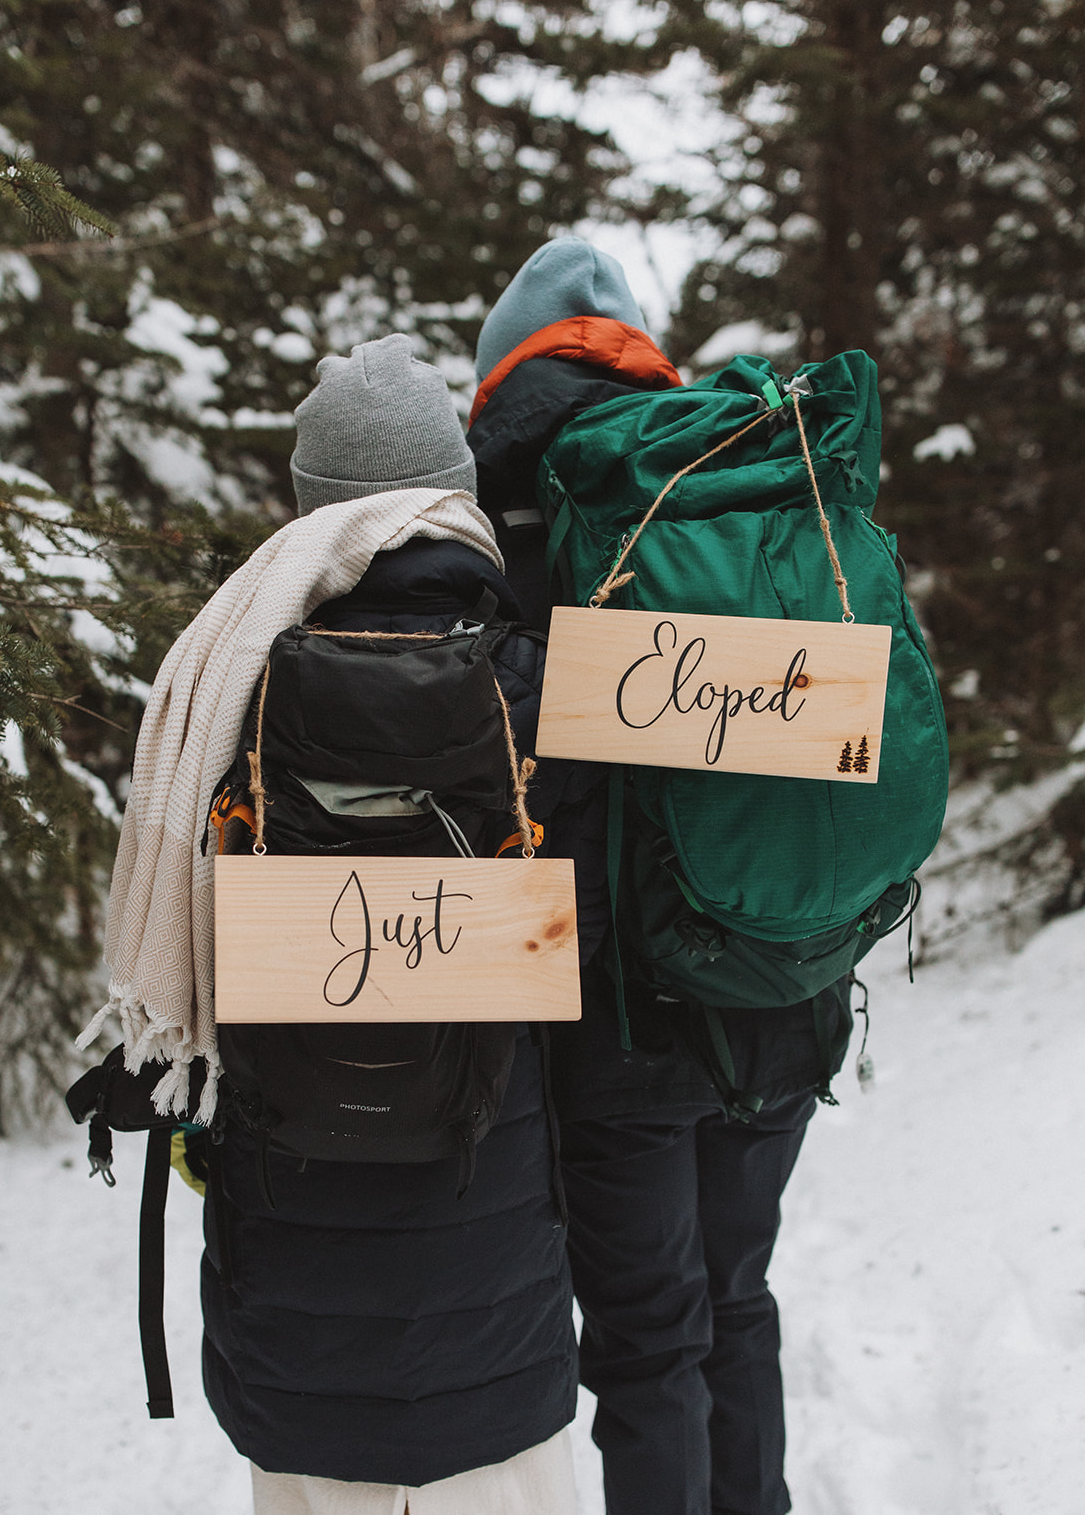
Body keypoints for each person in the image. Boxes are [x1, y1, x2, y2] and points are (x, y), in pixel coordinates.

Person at [466, 240, 856, 1515]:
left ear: (500, 371)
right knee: (737, 1298)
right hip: (778, 981)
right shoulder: (724, 479)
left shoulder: (504, 504)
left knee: (647, 1342)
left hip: (620, 1005)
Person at [183, 335, 584, 1514]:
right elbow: (585, 934)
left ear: (309, 512)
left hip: (291, 1207)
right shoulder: (538, 679)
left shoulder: (232, 679)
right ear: (452, 495)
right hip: (489, 1220)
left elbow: (199, 948)